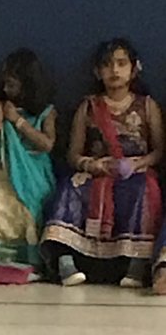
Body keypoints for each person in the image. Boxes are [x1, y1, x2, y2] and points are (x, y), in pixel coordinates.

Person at [42, 39, 163, 288]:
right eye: (108, 65)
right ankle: (66, 260)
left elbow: (160, 150)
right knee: (70, 188)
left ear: (134, 69)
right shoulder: (88, 107)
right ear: (98, 72)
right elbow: (73, 154)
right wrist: (93, 166)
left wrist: (137, 164)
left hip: (135, 172)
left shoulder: (147, 106)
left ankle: (135, 265)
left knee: (145, 189)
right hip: (97, 171)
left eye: (121, 64)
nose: (115, 71)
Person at [0, 49, 57, 270]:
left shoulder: (45, 112)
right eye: (5, 84)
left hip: (33, 174)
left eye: (12, 85)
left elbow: (47, 144)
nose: (6, 90)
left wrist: (17, 121)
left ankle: (26, 259)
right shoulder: (1, 107)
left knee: (26, 206)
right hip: (3, 173)